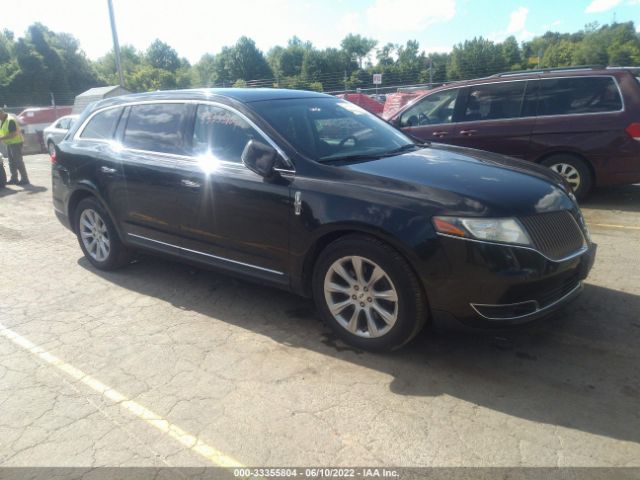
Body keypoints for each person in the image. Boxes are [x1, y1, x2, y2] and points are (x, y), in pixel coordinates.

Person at [0, 108, 29, 185]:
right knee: (11, 162)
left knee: (18, 161)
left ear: (1, 113)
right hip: (9, 143)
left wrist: (1, 138)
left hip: (15, 143)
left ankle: (24, 179)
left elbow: (13, 134)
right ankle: (14, 179)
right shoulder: (3, 120)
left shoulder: (10, 120)